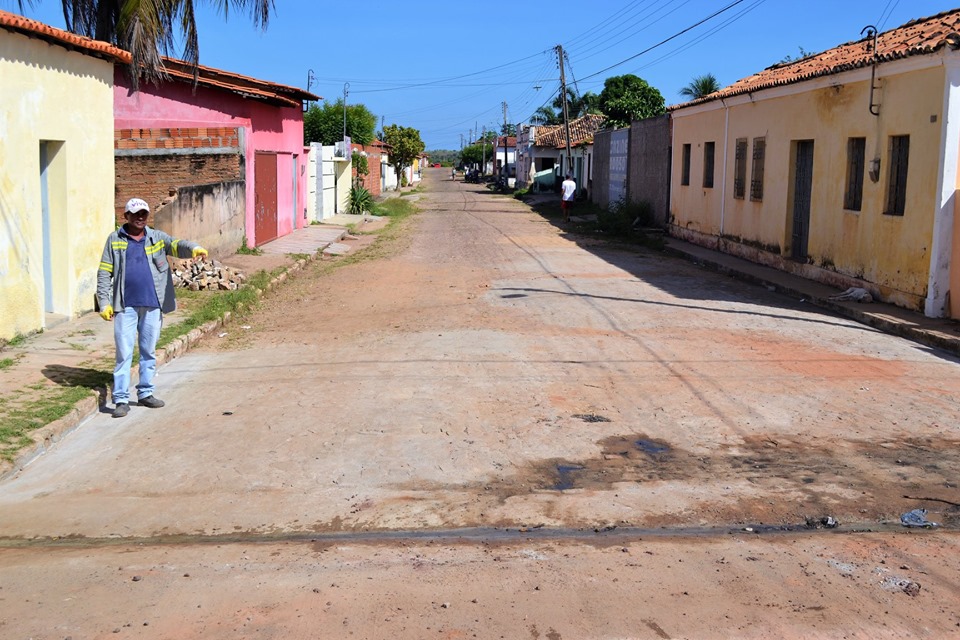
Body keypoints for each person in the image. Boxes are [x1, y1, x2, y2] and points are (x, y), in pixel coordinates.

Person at [96, 197, 208, 418]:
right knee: (124, 353)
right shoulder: (114, 240)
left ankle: (145, 393)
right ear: (126, 216)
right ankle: (120, 399)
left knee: (148, 351)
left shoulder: (156, 237)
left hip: (153, 304)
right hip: (124, 306)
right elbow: (104, 272)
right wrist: (104, 302)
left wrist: (194, 248)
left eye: (144, 214)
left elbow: (177, 244)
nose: (140, 218)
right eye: (135, 214)